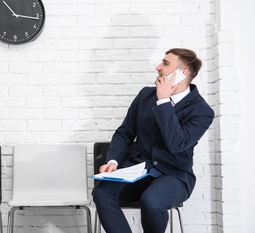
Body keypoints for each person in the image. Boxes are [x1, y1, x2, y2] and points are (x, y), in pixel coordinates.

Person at [92, 48, 214, 233]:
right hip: (137, 170)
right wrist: (113, 160)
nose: (158, 67)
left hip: (174, 175)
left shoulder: (202, 111)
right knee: (101, 192)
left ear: (183, 73)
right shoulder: (145, 96)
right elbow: (124, 133)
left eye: (165, 64)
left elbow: (177, 144)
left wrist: (164, 101)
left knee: (152, 201)